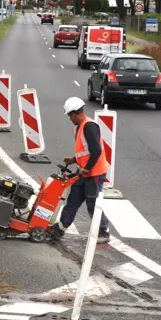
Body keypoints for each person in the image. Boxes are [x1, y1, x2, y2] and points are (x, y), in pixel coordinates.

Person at [48, 96, 111, 244]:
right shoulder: (79, 127)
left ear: (76, 113)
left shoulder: (90, 126)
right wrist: (74, 160)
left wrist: (87, 168)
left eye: (70, 115)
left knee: (92, 202)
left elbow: (96, 151)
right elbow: (86, 151)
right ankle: (60, 228)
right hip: (83, 171)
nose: (69, 118)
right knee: (73, 200)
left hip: (94, 173)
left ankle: (103, 231)